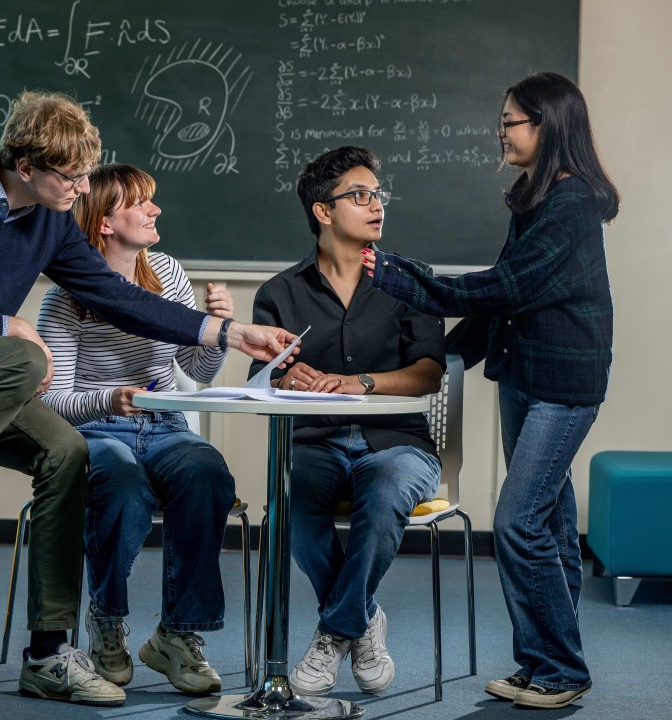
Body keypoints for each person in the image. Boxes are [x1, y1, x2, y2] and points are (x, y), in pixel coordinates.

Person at [0, 90, 298, 707]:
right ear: (26, 167)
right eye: (72, 177)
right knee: (22, 355)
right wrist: (10, 326)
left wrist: (231, 333)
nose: (82, 188)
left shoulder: (47, 220)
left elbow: (117, 296)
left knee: (67, 451)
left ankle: (48, 654)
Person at [364, 72, 619, 710]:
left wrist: (401, 276)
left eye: (510, 120)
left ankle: (560, 669)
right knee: (553, 523)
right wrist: (439, 356)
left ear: (547, 126)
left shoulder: (572, 201)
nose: (500, 131)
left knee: (517, 520)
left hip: (564, 386)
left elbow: (504, 288)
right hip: (525, 378)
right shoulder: (536, 197)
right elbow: (505, 299)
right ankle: (546, 664)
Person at [249, 145, 445, 698]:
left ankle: (336, 629)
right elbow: (262, 375)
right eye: (359, 196)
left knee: (383, 494)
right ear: (323, 211)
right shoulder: (280, 292)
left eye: (377, 194)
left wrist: (359, 383)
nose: (376, 205)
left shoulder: (411, 280)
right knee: (295, 512)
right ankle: (363, 618)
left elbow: (428, 372)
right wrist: (290, 378)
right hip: (317, 439)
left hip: (399, 443)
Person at [36, 164, 235, 694]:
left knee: (207, 472)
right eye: (141, 203)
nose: (155, 210)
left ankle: (178, 634)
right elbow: (51, 401)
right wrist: (112, 399)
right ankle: (107, 616)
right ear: (103, 222)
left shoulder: (167, 274)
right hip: (99, 430)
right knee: (121, 484)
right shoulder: (64, 298)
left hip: (167, 425)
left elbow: (192, 373)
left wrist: (213, 336)